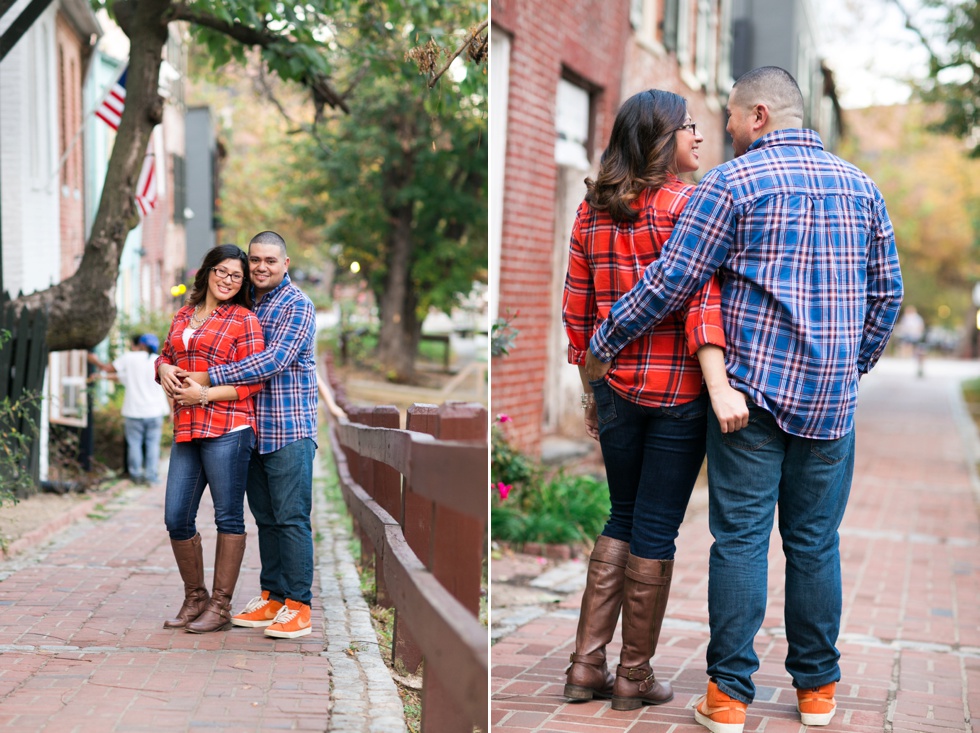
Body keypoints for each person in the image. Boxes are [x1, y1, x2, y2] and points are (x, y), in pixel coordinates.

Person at [585, 67, 903, 732]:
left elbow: (674, 279)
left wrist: (607, 335)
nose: (722, 130)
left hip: (748, 398)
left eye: (728, 117)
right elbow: (888, 294)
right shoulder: (863, 188)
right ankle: (817, 692)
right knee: (816, 543)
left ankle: (729, 697)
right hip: (829, 404)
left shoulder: (730, 185)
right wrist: (852, 364)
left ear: (759, 115)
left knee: (740, 541)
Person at [561, 88, 748, 712]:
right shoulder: (688, 204)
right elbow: (702, 303)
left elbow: (577, 311)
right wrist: (718, 382)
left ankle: (586, 666)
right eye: (689, 127)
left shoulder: (592, 209)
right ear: (662, 137)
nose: (699, 136)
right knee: (656, 530)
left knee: (620, 515)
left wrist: (592, 387)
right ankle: (632, 675)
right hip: (676, 394)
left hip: (614, 388)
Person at [178, 231, 319, 640]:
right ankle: (273, 597)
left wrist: (206, 379)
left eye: (270, 261)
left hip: (289, 428)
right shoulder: (245, 303)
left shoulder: (298, 306)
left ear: (286, 263)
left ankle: (299, 606)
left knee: (291, 519)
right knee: (267, 519)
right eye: (255, 260)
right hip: (250, 429)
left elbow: (273, 361)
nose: (260, 267)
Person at [156, 244, 265, 634]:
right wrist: (164, 367)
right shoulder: (183, 315)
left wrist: (202, 394)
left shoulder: (244, 320)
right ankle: (195, 597)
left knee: (228, 516)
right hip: (187, 427)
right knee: (176, 516)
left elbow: (252, 381)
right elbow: (165, 355)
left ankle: (220, 607)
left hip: (228, 428)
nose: (228, 280)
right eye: (222, 271)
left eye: (237, 276)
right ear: (207, 272)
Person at [88, 332, 169, 485]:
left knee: (135, 444)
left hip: (134, 412)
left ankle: (136, 475)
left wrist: (95, 362)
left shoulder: (130, 358)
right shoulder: (159, 362)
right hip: (155, 412)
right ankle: (151, 476)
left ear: (141, 345)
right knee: (152, 445)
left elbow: (109, 369)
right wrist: (172, 411)